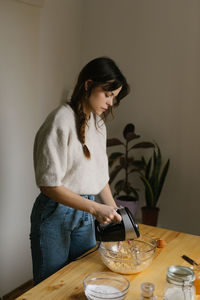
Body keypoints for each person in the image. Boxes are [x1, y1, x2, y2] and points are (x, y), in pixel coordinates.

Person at [30, 56, 130, 285]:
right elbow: (48, 185)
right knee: (51, 288)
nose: (111, 103)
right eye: (108, 94)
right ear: (88, 85)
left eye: (114, 97)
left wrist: (116, 213)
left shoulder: (98, 124)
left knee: (83, 283)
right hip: (55, 214)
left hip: (86, 214)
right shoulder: (59, 121)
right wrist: (96, 208)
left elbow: (98, 178)